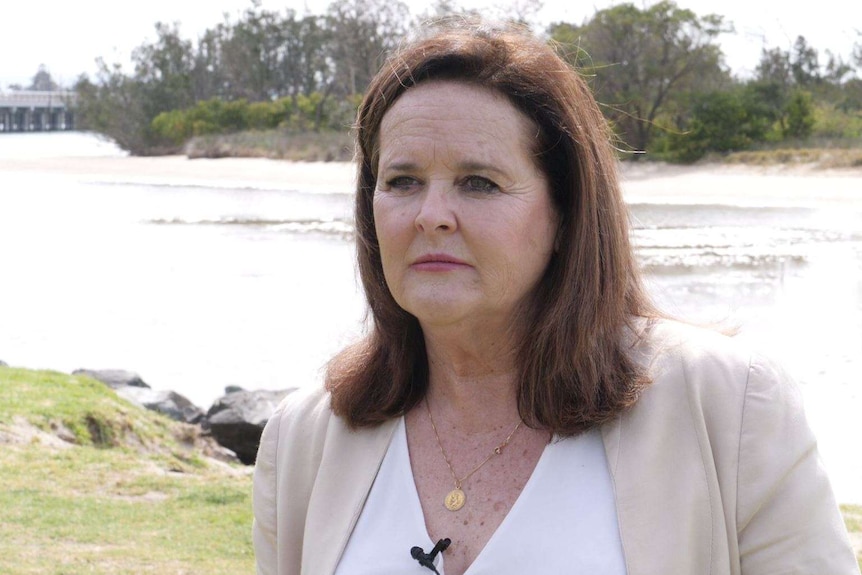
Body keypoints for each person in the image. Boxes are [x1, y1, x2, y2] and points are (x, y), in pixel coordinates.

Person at [252, 20, 859, 575]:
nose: (431, 215)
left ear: (567, 211)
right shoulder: (305, 438)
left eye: (479, 183)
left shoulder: (729, 404)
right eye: (403, 181)